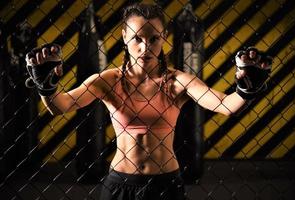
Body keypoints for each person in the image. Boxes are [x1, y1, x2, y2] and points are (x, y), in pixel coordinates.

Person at [25, 3, 272, 200]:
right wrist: (46, 87)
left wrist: (245, 89)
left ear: (163, 37)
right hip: (120, 184)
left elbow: (224, 105)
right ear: (124, 37)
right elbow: (62, 105)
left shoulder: (178, 82)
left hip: (166, 184)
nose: (145, 47)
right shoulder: (108, 81)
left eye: (153, 39)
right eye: (137, 39)